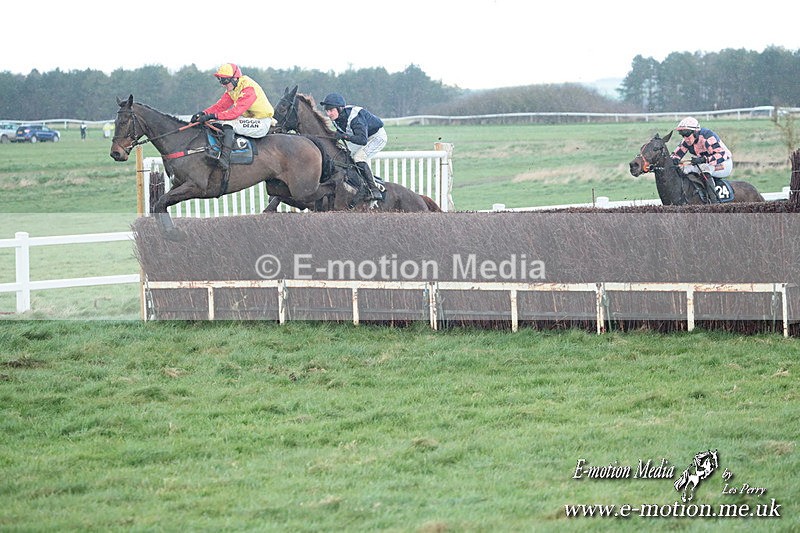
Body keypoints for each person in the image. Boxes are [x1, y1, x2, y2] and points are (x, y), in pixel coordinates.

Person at [191, 63, 274, 170]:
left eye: (225, 80)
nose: (223, 84)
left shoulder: (248, 89)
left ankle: (224, 159)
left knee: (227, 123)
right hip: (249, 119)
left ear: (235, 78)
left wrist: (212, 116)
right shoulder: (233, 89)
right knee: (214, 123)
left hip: (261, 121)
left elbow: (235, 113)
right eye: (220, 80)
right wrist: (203, 113)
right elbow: (220, 106)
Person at [320, 92, 386, 200]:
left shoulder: (356, 119)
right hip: (361, 136)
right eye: (327, 110)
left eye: (331, 110)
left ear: (339, 109)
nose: (328, 114)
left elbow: (362, 140)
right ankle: (362, 181)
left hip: (376, 137)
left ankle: (374, 189)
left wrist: (344, 136)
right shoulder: (337, 118)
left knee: (359, 157)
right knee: (345, 154)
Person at [670, 117, 733, 203]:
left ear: (695, 132)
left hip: (724, 163)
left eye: (687, 134)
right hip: (706, 163)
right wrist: (675, 160)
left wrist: (703, 159)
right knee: (685, 169)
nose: (685, 138)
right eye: (683, 135)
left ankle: (714, 203)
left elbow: (722, 154)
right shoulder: (687, 141)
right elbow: (675, 155)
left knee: (705, 169)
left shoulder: (707, 137)